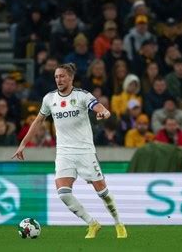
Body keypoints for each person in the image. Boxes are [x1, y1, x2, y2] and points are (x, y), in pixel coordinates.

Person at [12, 63, 127, 239]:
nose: (59, 79)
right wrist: (23, 143)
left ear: (71, 78)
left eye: (62, 76)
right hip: (64, 152)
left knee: (102, 192)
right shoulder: (49, 99)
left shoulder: (82, 95)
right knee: (63, 193)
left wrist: (103, 113)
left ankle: (118, 223)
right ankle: (92, 223)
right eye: (56, 77)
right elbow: (37, 121)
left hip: (85, 151)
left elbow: (101, 109)